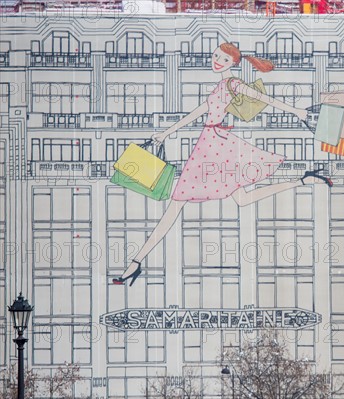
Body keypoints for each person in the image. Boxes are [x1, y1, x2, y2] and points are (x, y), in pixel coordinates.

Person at [113, 43, 332, 286]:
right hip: (211, 145)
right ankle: (304, 179)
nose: (217, 61)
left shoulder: (232, 84)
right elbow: (198, 112)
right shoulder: (220, 86)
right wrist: (166, 132)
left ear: (233, 64)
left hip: (212, 148)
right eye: (216, 56)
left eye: (223, 59)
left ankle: (135, 262)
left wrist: (296, 111)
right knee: (241, 199)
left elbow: (262, 98)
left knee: (176, 205)